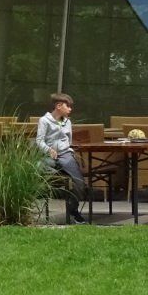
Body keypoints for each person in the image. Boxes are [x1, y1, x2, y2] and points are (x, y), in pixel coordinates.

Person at [36, 91, 85, 222]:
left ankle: (73, 209)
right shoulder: (44, 121)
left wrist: (68, 150)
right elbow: (39, 141)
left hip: (65, 155)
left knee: (79, 183)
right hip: (48, 157)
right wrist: (48, 149)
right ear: (58, 106)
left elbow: (68, 140)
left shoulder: (67, 122)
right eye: (67, 106)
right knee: (36, 169)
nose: (70, 109)